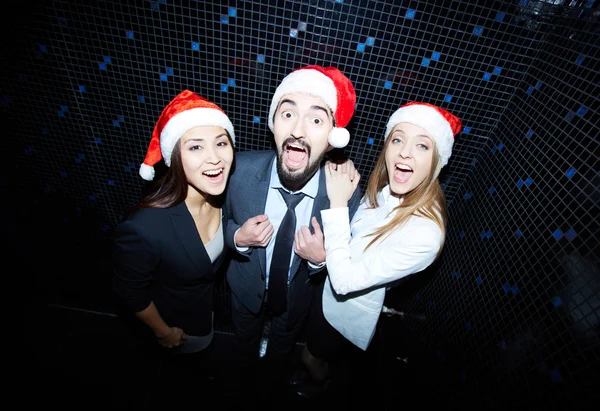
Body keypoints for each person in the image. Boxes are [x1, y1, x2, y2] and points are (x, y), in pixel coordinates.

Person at [292, 101, 462, 398]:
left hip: (342, 308)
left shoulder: (425, 234)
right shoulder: (391, 188)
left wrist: (338, 202)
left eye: (422, 146)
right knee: (310, 346)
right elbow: (357, 235)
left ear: (437, 160)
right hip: (326, 291)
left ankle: (319, 385)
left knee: (311, 356)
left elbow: (345, 282)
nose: (405, 152)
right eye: (398, 139)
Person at [223, 65, 363, 400]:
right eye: (288, 113)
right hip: (244, 291)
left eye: (316, 120)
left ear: (332, 137)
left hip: (295, 299)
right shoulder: (238, 171)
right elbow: (216, 222)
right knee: (243, 346)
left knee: (281, 350)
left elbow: (348, 260)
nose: (298, 130)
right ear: (273, 123)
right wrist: (237, 238)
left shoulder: (343, 193)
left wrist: (319, 261)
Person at [112, 90, 236, 400]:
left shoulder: (224, 195)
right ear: (174, 157)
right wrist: (163, 332)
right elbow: (129, 289)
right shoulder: (145, 227)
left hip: (203, 309)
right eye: (196, 147)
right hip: (175, 324)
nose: (214, 157)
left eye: (221, 143)